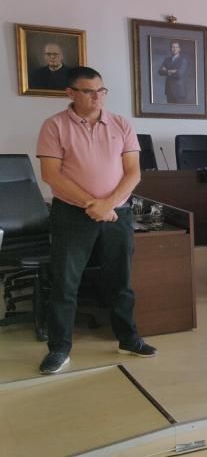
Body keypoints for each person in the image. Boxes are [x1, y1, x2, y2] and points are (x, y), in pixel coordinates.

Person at [35, 66, 158, 375]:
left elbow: (133, 172)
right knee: (65, 283)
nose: (96, 97)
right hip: (72, 214)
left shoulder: (120, 124)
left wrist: (109, 205)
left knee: (121, 280)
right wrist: (93, 204)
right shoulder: (54, 126)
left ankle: (128, 338)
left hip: (117, 213)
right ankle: (59, 348)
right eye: (89, 92)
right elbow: (51, 175)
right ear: (71, 93)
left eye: (101, 91)